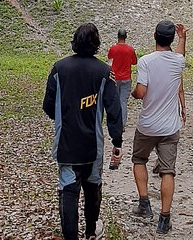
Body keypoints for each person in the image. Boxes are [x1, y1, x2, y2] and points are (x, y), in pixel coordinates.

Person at [43, 23, 124, 240]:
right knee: (92, 188)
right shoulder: (105, 72)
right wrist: (117, 141)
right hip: (93, 146)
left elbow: (48, 105)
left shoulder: (59, 69)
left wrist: (61, 117)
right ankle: (90, 232)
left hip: (66, 143)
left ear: (74, 41)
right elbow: (114, 110)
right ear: (96, 44)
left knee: (68, 190)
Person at [130, 20, 187, 235]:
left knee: (139, 160)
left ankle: (144, 204)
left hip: (147, 125)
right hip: (170, 127)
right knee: (167, 171)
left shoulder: (145, 61)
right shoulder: (178, 62)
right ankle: (164, 218)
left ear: (154, 35)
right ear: (171, 40)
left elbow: (142, 92)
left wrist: (134, 93)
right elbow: (180, 53)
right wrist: (183, 38)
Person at [107, 28, 138, 129]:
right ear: (126, 37)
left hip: (115, 78)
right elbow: (134, 62)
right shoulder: (130, 49)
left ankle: (114, 123)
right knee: (123, 101)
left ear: (118, 36)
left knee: (114, 101)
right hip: (126, 78)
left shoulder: (113, 48)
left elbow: (109, 59)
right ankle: (122, 124)